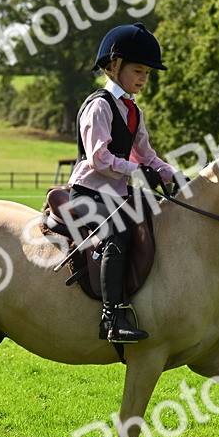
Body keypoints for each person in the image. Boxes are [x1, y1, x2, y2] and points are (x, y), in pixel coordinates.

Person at [67, 22, 184, 344]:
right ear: (115, 66)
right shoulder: (100, 106)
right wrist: (134, 171)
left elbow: (146, 155)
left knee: (159, 217)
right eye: (138, 70)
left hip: (117, 190)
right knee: (118, 229)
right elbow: (99, 158)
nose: (144, 77)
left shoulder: (133, 110)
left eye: (148, 72)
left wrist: (172, 174)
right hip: (88, 190)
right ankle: (112, 317)